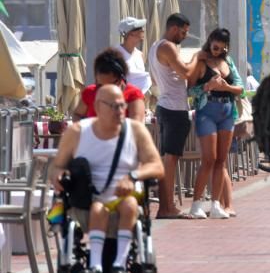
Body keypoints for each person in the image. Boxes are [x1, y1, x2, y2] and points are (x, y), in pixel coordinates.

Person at [49, 85, 164, 273]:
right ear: (97, 107)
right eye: (113, 106)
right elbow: (57, 166)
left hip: (126, 196)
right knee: (97, 208)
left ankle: (119, 265)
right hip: (92, 199)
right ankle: (95, 266)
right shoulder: (78, 132)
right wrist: (58, 175)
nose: (120, 110)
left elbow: (157, 166)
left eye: (122, 106)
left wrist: (133, 176)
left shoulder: (135, 130)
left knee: (128, 205)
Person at [186, 28, 244, 219]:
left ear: (226, 46)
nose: (217, 48)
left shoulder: (228, 61)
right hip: (207, 111)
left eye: (221, 45)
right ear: (210, 41)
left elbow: (240, 88)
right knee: (209, 159)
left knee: (221, 159)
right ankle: (196, 204)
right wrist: (207, 86)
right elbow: (189, 91)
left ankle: (216, 204)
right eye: (215, 43)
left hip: (227, 111)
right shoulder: (201, 62)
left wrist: (225, 87)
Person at [148, 13, 199, 220]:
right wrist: (197, 57)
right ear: (174, 28)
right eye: (184, 32)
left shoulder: (154, 48)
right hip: (174, 109)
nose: (185, 36)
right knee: (170, 160)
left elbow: (157, 76)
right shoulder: (168, 47)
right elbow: (186, 72)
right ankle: (166, 207)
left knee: (169, 159)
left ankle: (167, 207)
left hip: (166, 106)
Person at [73, 49, 146, 123]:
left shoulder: (134, 94)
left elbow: (136, 125)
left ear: (121, 79)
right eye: (100, 85)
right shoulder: (90, 92)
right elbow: (77, 114)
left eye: (110, 85)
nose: (105, 89)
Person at [115, 17, 151, 95]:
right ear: (129, 34)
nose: (143, 31)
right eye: (139, 28)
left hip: (139, 99)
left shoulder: (140, 54)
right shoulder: (116, 54)